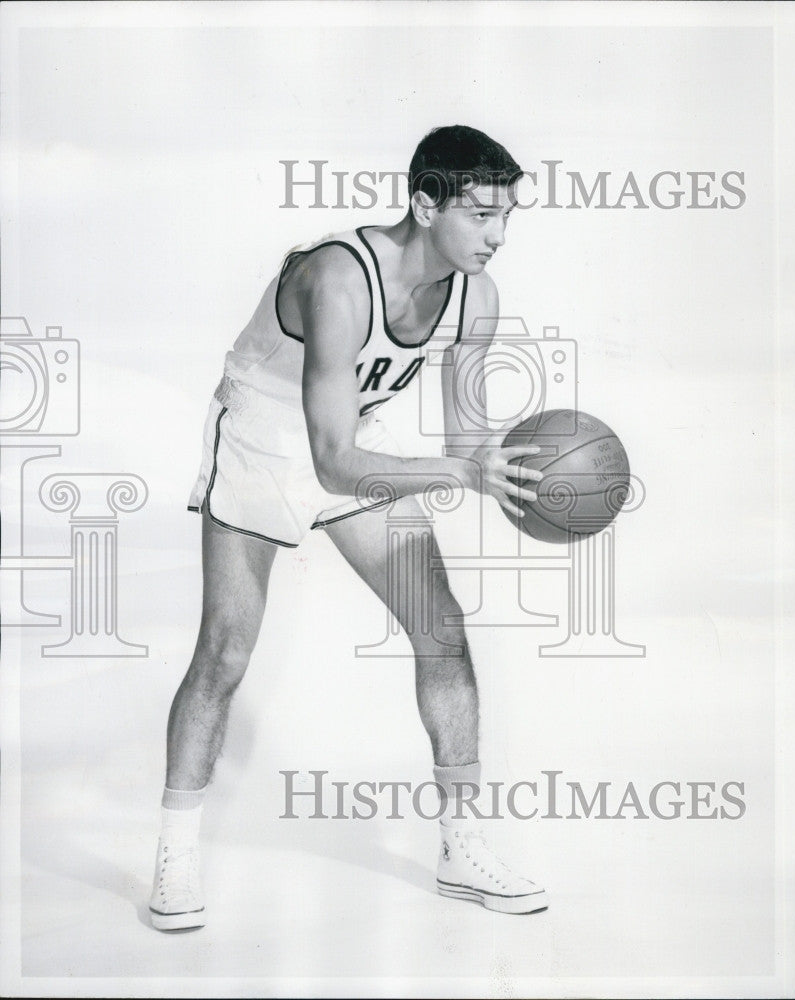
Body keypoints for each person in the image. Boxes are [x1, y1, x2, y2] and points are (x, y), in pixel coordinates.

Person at [150, 125, 549, 931]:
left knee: (443, 630)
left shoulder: (479, 296)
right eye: (480, 215)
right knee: (226, 648)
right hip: (265, 442)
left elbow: (465, 447)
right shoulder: (339, 279)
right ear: (424, 200)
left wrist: (524, 481)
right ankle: (175, 850)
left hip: (354, 434)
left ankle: (460, 844)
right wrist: (460, 473)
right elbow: (331, 464)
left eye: (507, 216)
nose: (497, 236)